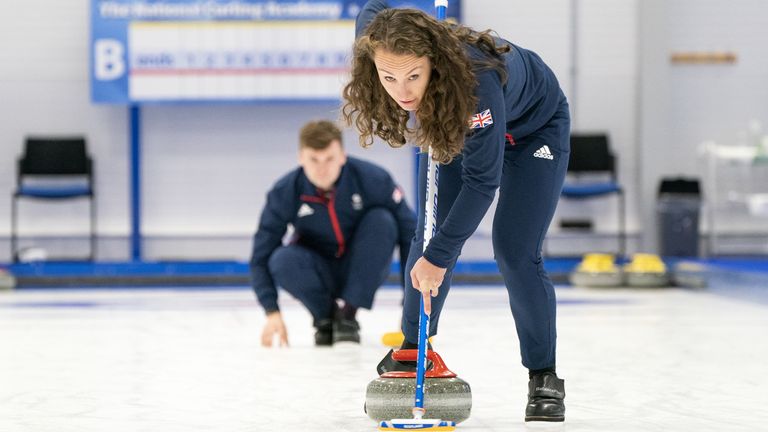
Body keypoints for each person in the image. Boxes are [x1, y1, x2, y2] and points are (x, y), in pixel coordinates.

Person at [343, 1, 570, 422]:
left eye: (414, 75)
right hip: (457, 122)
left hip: (533, 129)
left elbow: (482, 182)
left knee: (515, 250)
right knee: (429, 235)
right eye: (388, 77)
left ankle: (544, 375)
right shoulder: (374, 38)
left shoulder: (476, 78)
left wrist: (439, 259)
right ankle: (413, 349)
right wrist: (434, 252)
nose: (403, 91)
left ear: (434, 62)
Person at [250, 120, 416, 348]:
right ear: (300, 158)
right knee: (280, 259)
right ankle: (326, 317)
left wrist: (411, 308)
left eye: (329, 158)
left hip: (362, 268)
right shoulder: (284, 192)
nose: (322, 168)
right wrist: (271, 311)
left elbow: (411, 236)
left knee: (383, 220)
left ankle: (348, 316)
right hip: (317, 270)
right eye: (313, 160)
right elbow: (260, 255)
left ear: (342, 156)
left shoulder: (374, 180)